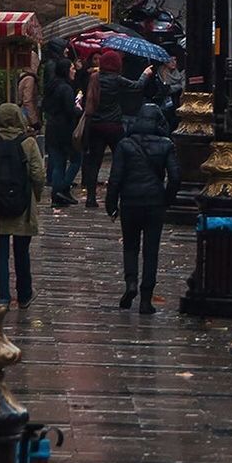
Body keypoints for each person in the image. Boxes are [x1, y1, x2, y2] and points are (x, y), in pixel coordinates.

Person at [105, 100, 181, 315]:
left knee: (130, 246)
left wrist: (111, 204)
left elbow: (115, 178)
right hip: (154, 203)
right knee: (151, 251)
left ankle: (130, 283)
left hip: (130, 201)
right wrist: (166, 199)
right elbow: (175, 177)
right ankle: (146, 298)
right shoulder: (166, 144)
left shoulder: (125, 145)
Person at [82, 47, 154, 208]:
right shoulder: (117, 79)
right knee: (120, 159)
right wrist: (145, 74)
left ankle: (91, 198)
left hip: (95, 124)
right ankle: (118, 194)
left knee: (94, 162)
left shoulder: (95, 78)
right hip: (113, 124)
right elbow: (137, 86)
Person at [0, 102, 44, 307]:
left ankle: (1, 295)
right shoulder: (28, 143)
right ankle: (24, 294)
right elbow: (38, 174)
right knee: (22, 253)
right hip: (23, 206)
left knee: (0, 253)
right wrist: (36, 195)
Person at [44, 58, 81, 206]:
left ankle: (57, 195)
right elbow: (69, 110)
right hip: (64, 129)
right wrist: (78, 108)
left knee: (58, 164)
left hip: (52, 128)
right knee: (76, 160)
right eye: (72, 68)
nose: (74, 70)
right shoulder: (65, 88)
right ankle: (62, 188)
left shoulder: (51, 86)